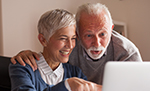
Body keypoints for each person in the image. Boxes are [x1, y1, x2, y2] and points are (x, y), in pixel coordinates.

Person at [9, 9, 102, 91]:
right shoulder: (22, 67)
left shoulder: (74, 72)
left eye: (73, 38)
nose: (70, 45)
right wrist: (67, 86)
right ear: (43, 40)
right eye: (63, 38)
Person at [11, 3, 142, 86]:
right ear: (78, 34)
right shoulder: (69, 47)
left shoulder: (127, 52)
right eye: (89, 35)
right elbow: (50, 59)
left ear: (111, 29)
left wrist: (92, 89)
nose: (97, 43)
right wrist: (27, 54)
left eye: (103, 34)